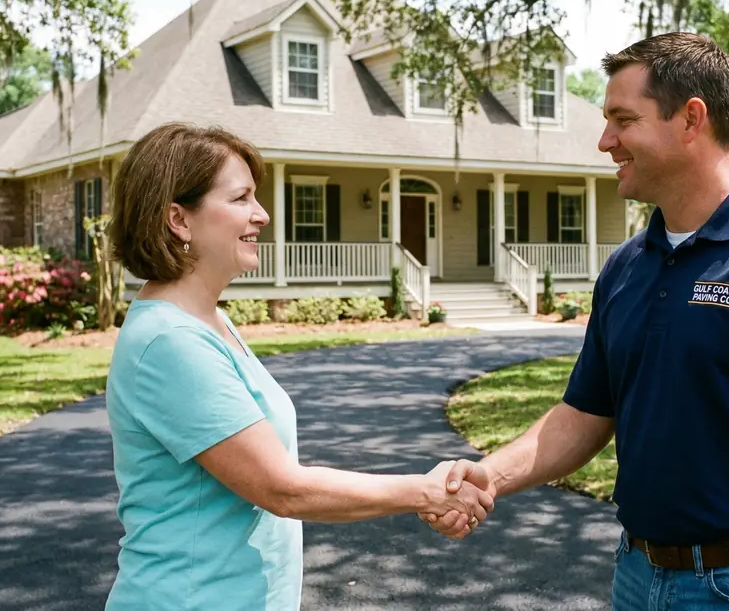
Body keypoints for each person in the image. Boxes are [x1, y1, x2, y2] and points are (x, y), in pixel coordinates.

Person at [423, 32, 729, 611]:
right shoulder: (626, 267)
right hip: (636, 576)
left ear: (691, 119)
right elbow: (585, 413)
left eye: (623, 120)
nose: (604, 141)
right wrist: (490, 475)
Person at [103, 122, 492, 611]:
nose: (262, 214)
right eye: (241, 198)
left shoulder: (209, 321)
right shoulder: (170, 342)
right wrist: (423, 491)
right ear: (179, 219)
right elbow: (281, 487)